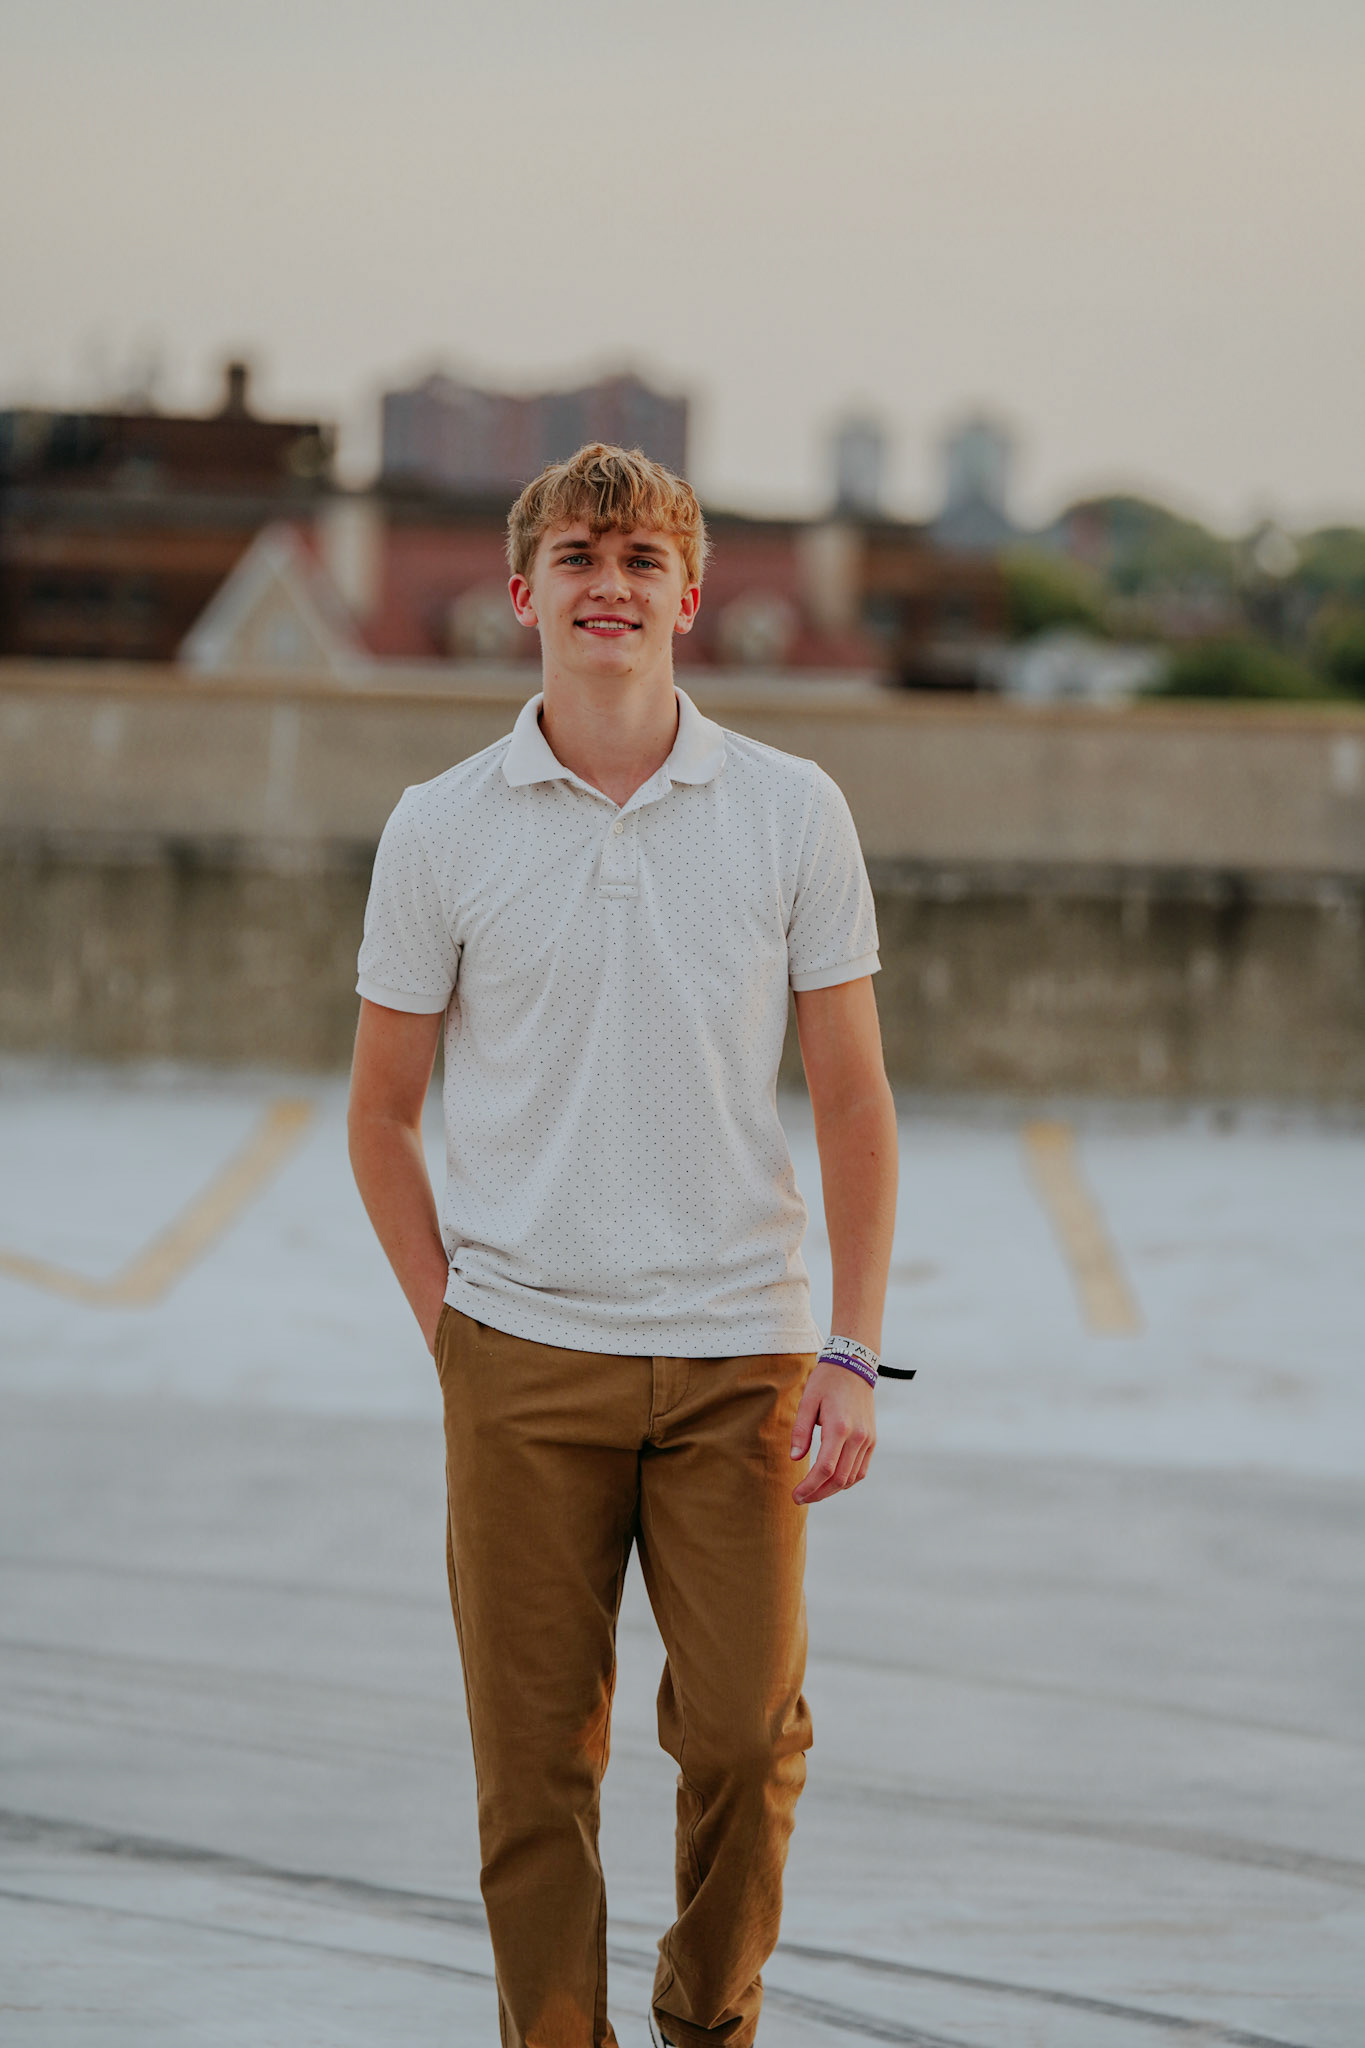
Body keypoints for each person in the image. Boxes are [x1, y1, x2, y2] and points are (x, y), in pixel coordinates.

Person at [347, 443, 899, 2048]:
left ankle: (703, 2024)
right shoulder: (439, 828)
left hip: (742, 1354)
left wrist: (852, 1350)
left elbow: (853, 1102)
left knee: (743, 1739)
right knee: (533, 1770)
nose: (610, 586)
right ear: (523, 594)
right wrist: (455, 1332)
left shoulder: (790, 811)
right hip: (522, 1360)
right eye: (579, 559)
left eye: (641, 560)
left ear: (690, 597)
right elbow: (380, 1113)